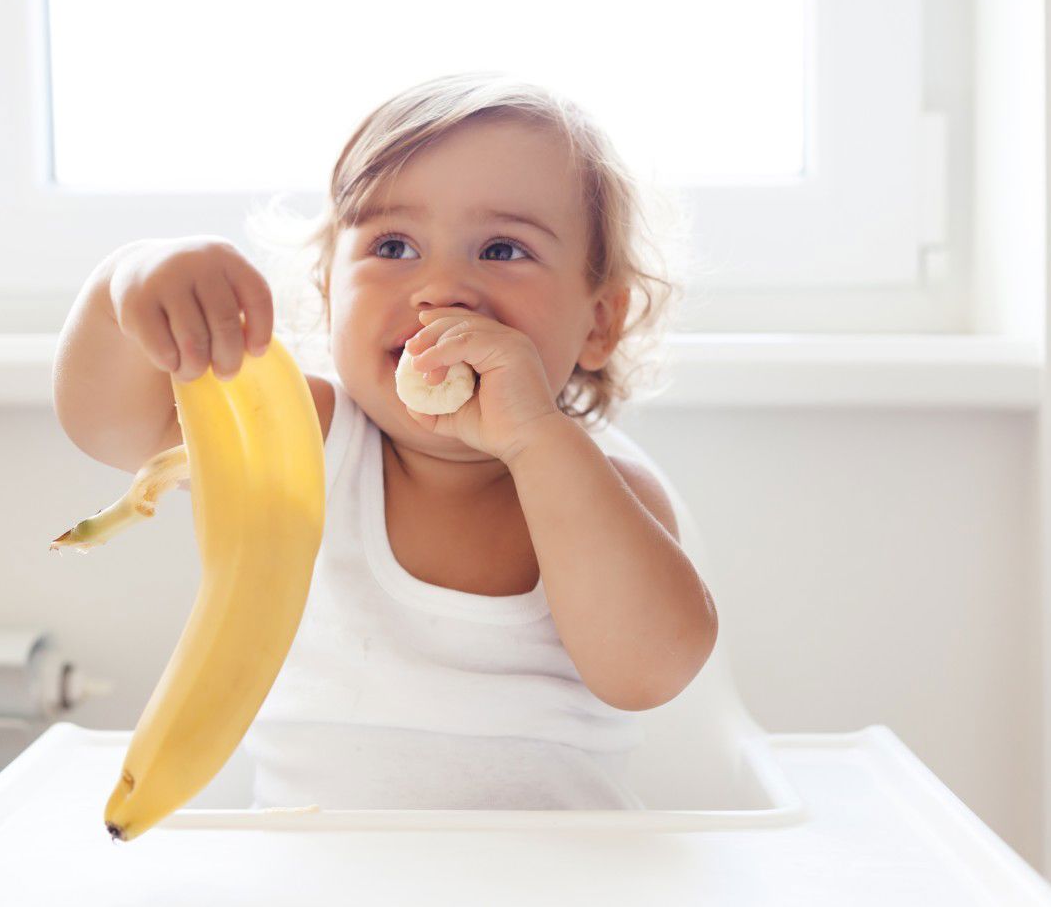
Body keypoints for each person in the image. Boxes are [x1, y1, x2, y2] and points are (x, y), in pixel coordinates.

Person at [53, 71, 718, 810]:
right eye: (394, 245)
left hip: (550, 878)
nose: (441, 288)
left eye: (502, 250)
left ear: (600, 321)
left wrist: (536, 439)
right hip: (319, 874)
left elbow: (649, 672)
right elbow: (110, 428)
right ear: (329, 289)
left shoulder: (606, 487)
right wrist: (128, 281)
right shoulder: (304, 441)